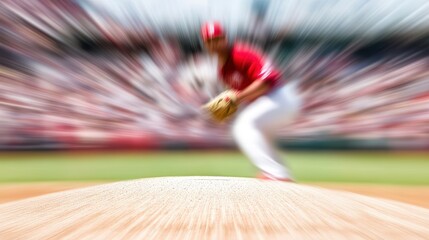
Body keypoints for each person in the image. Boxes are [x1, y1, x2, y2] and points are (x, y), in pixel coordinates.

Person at [201, 21, 302, 182]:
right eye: (210, 41)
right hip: (270, 101)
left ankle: (275, 174)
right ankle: (281, 174)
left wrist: (237, 97)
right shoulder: (223, 70)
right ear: (206, 44)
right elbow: (245, 97)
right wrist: (234, 103)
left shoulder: (241, 54)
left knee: (244, 127)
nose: (215, 43)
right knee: (259, 134)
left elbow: (266, 82)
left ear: (225, 39)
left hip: (280, 97)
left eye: (217, 39)